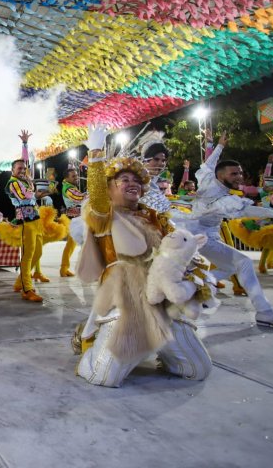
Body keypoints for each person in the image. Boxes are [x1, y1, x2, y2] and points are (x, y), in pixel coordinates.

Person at [75, 125, 212, 387]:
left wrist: (195, 279)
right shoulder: (104, 216)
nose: (132, 184)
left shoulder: (157, 218)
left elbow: (180, 254)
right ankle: (90, 338)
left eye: (137, 180)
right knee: (102, 377)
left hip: (164, 302)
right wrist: (95, 154)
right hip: (125, 301)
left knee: (196, 371)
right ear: (109, 188)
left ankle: (153, 349)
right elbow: (98, 198)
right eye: (123, 180)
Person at [181, 132, 273, 331]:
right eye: (234, 174)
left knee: (232, 266)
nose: (239, 177)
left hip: (199, 234)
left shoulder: (207, 178)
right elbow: (245, 209)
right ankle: (265, 312)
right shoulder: (221, 199)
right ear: (220, 176)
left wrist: (219, 146)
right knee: (244, 262)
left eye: (240, 173)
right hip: (199, 237)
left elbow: (209, 163)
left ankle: (200, 288)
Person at [1, 130, 47, 303]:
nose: (22, 170)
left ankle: (19, 281)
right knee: (27, 255)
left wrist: (25, 144)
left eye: (23, 168)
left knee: (38, 252)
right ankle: (27, 289)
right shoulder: (12, 183)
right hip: (25, 222)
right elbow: (25, 196)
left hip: (35, 220)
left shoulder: (24, 179)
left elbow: (25, 162)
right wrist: (33, 188)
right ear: (12, 170)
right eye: (18, 168)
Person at [60, 167, 85, 277]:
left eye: (76, 175)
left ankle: (64, 268)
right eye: (73, 176)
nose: (77, 177)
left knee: (71, 245)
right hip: (75, 221)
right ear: (67, 178)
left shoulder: (69, 186)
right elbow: (78, 198)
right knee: (84, 244)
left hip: (75, 219)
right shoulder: (68, 188)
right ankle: (85, 269)